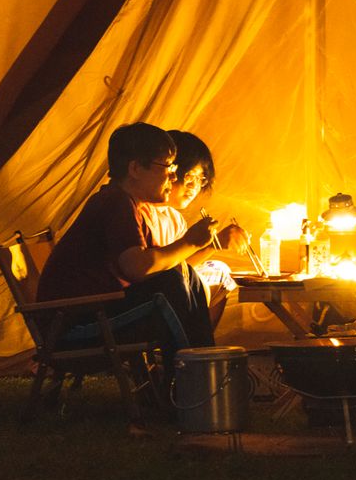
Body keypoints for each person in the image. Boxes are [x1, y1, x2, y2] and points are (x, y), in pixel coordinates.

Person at [35, 122, 219, 356]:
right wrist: (190, 242)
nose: (173, 176)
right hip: (74, 327)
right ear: (135, 169)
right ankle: (195, 374)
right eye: (167, 167)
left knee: (186, 275)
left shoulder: (131, 205)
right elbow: (138, 268)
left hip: (97, 314)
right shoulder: (114, 202)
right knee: (170, 284)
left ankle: (203, 367)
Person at [141, 130, 247, 327]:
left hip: (170, 285)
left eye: (201, 179)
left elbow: (184, 264)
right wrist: (212, 245)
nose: (193, 186)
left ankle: (202, 344)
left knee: (219, 271)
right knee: (186, 282)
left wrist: (212, 244)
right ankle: (194, 346)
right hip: (147, 297)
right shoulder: (142, 211)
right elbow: (165, 271)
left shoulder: (174, 218)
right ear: (169, 172)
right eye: (189, 176)